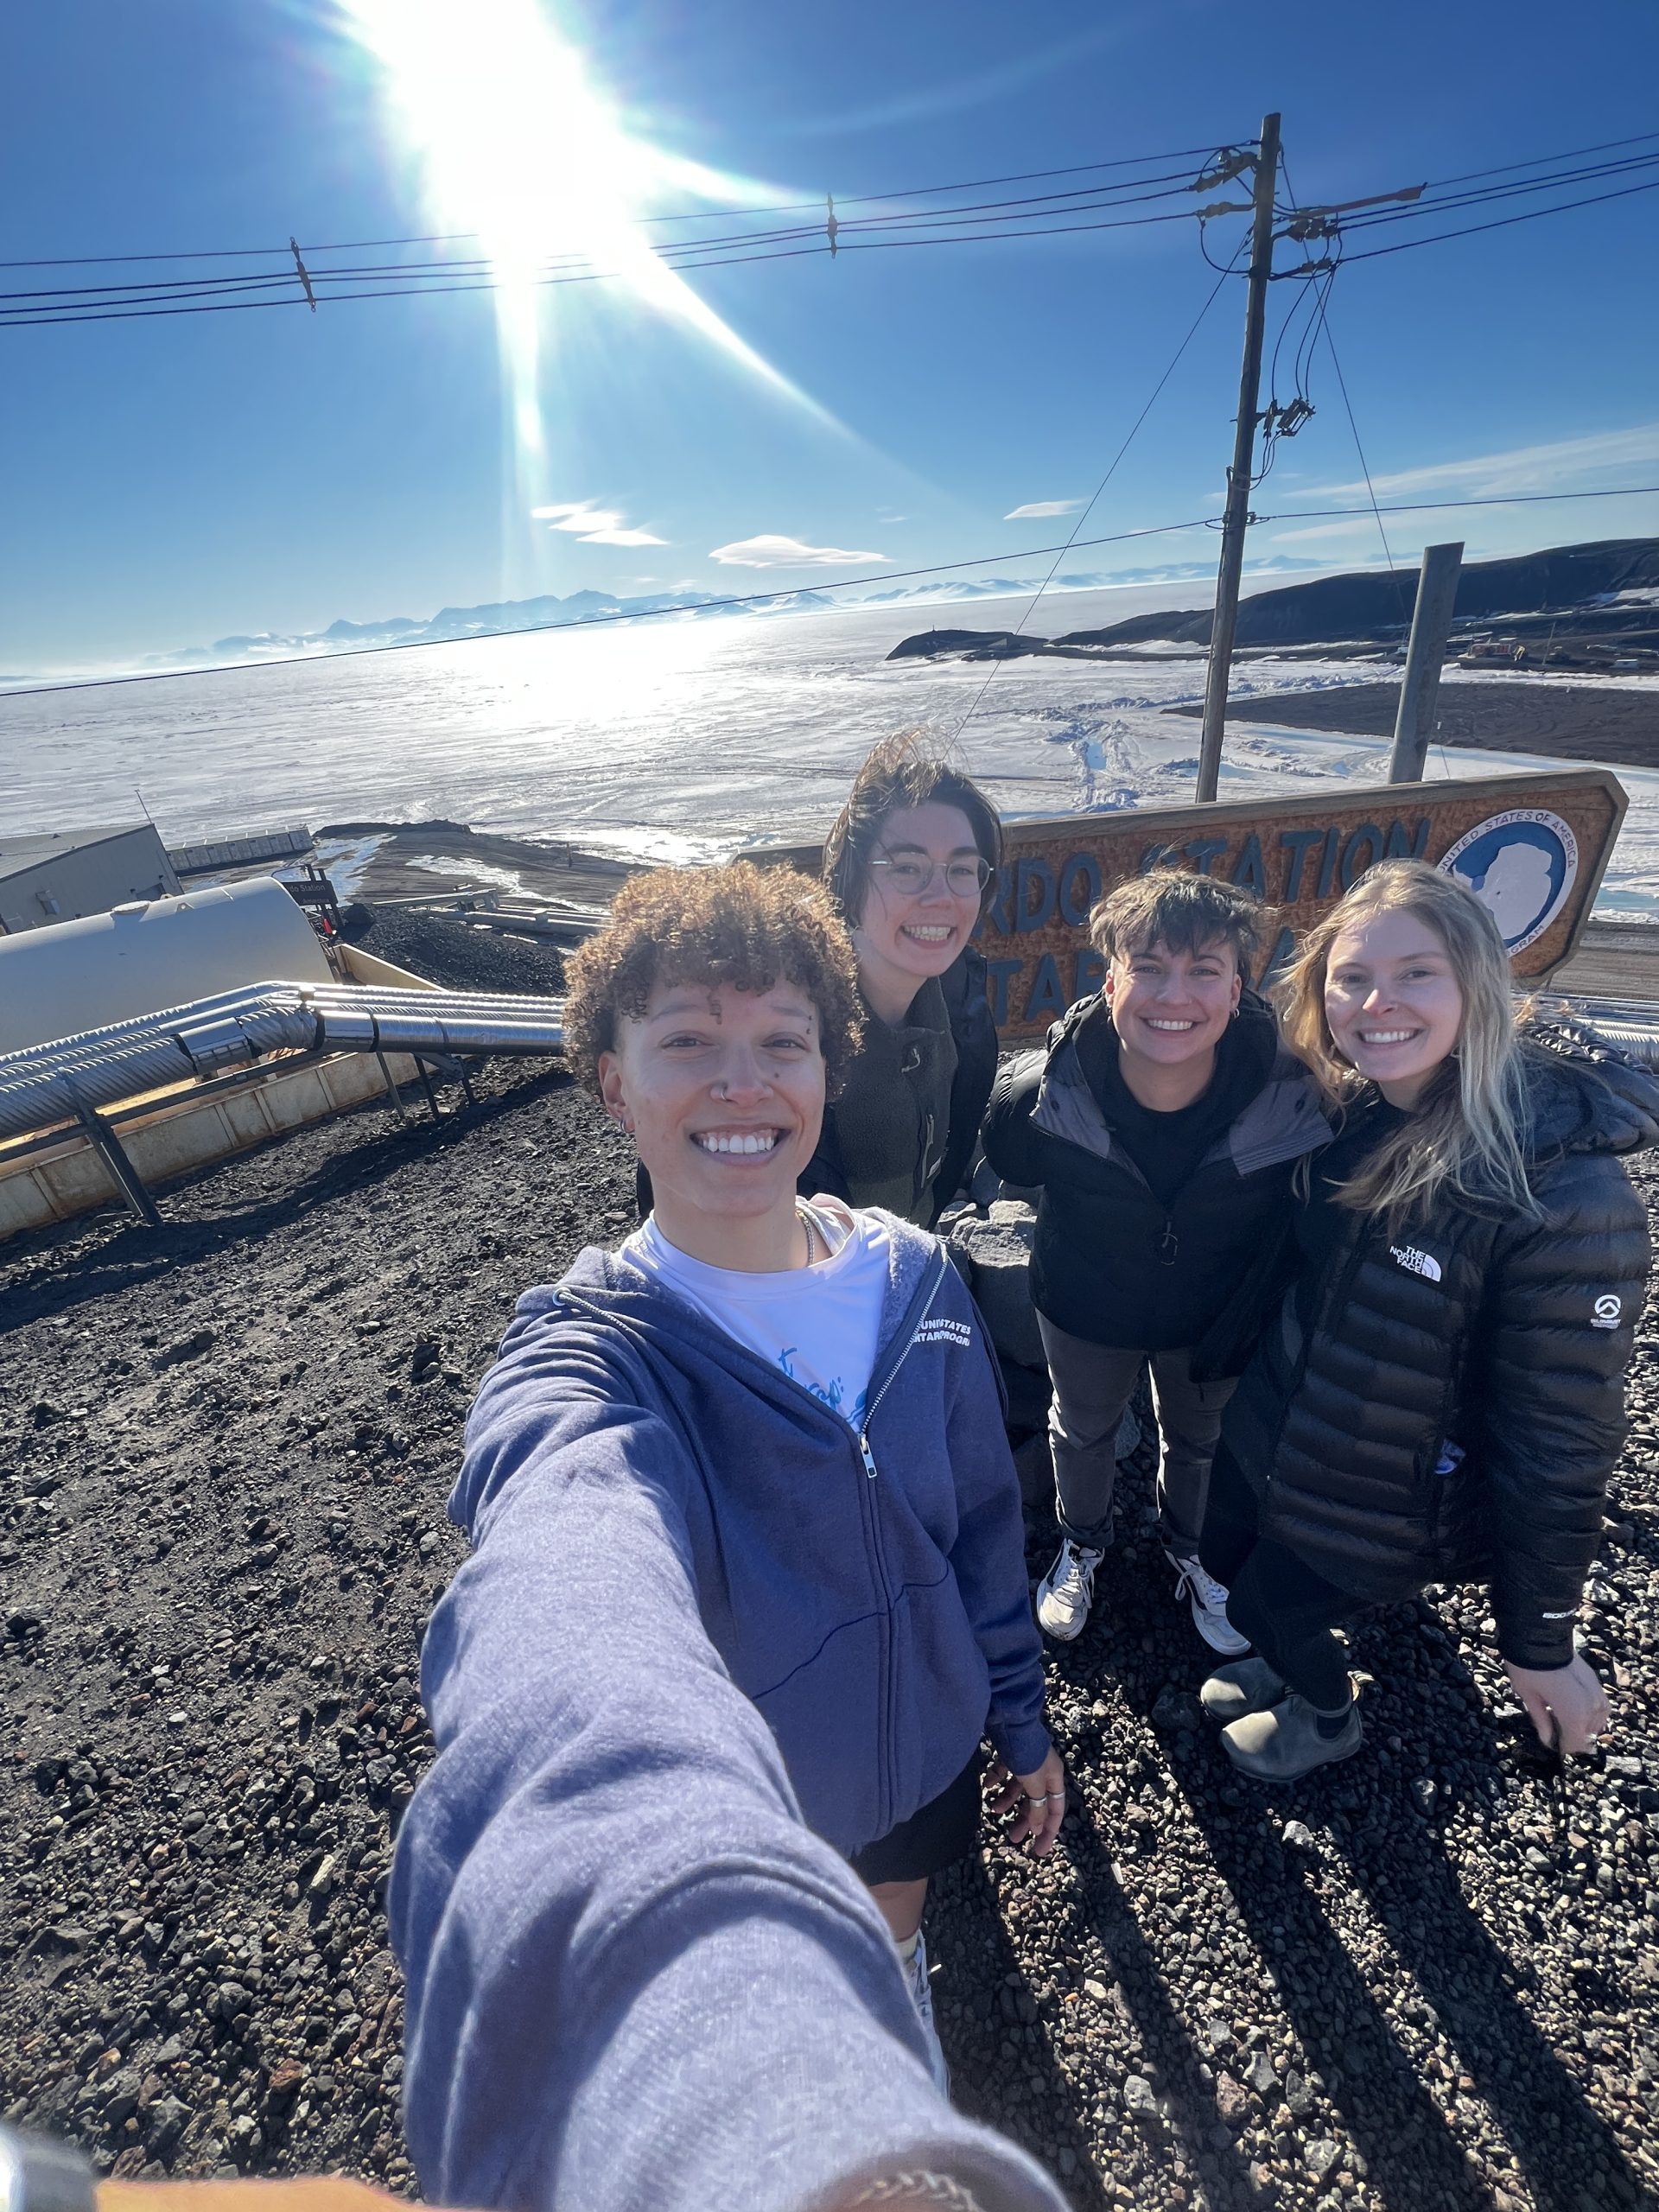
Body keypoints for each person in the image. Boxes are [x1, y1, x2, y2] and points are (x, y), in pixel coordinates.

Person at [390, 861, 1066, 2211]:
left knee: (891, 1926)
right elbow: (564, 1572)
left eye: (783, 1043)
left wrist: (1018, 1714)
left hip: (926, 1753)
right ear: (614, 1084)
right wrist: (625, 1852)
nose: (744, 1085)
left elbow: (985, 1530)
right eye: (689, 1042)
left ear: (828, 1067)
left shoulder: (919, 1283)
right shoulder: (596, 1355)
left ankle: (895, 2000)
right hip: (748, 1800)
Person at [1198, 859, 1656, 1782]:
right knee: (1227, 1564)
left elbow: (1561, 1438)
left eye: (1416, 973)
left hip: (1388, 1493)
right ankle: (1285, 1662)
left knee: (1267, 1608)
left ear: (1475, 984)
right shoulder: (1361, 1106)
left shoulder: (1558, 1187)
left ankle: (1326, 1713)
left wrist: (1540, 1639)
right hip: (1284, 1426)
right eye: (1353, 978)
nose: (1378, 1003)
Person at [982, 870, 1330, 1652]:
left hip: (1213, 1317)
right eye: (1148, 967)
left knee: (1202, 1441)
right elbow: (1006, 1150)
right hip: (1083, 1305)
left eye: (1203, 970)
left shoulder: (1293, 1091)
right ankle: (1083, 1544)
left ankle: (1193, 1552)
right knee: (1081, 1430)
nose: (1175, 996)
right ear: (1111, 984)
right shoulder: (1049, 1091)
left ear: (1236, 990)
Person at [816, 733, 1002, 1227]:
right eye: (906, 867)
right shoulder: (785, 1030)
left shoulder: (960, 1002)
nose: (940, 895)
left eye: (962, 869)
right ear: (853, 880)